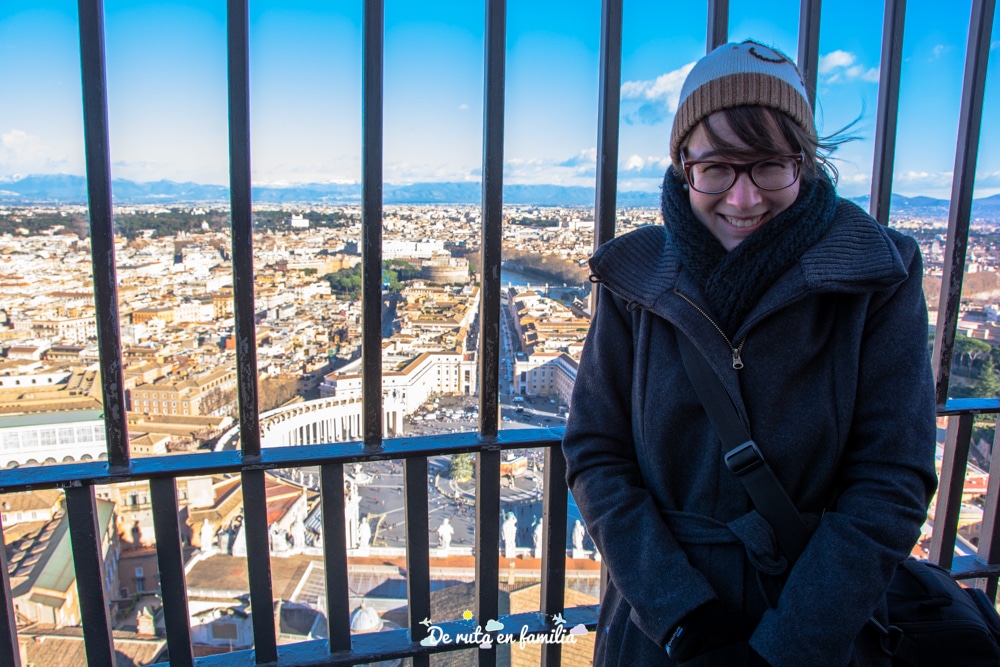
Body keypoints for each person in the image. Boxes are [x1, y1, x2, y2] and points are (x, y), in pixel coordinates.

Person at [562, 40, 937, 667]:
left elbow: (891, 479)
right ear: (683, 165)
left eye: (769, 165)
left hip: (816, 634)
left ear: (805, 164)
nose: (743, 200)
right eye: (716, 168)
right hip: (662, 633)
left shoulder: (880, 276)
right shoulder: (635, 278)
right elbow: (597, 454)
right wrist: (681, 617)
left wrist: (786, 648)